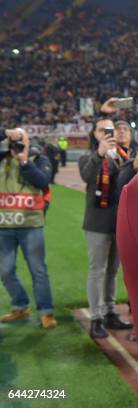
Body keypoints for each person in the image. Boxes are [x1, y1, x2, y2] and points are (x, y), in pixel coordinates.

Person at [79, 118, 133, 339]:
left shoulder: (124, 157)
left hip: (119, 223)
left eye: (111, 130)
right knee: (97, 271)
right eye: (103, 130)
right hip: (97, 223)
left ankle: (110, 312)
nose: (109, 133)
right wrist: (100, 153)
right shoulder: (89, 157)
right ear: (95, 134)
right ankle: (96, 318)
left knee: (112, 272)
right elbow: (87, 176)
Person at [0, 127, 57, 328]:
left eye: (22, 138)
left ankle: (46, 312)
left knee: (38, 270)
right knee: (4, 270)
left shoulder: (38, 159)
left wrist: (24, 161)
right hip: (4, 225)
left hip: (30, 225)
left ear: (29, 140)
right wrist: (6, 133)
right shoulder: (3, 157)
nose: (18, 143)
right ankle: (21, 304)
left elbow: (43, 180)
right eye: (15, 140)